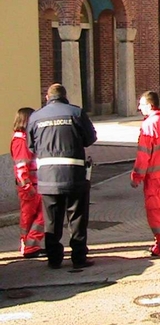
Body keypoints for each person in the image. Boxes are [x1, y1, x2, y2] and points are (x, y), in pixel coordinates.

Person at [27, 83, 97, 269]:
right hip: (74, 175)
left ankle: (54, 258)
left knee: (51, 220)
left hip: (47, 177)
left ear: (47, 97)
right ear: (65, 96)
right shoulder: (75, 113)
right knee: (77, 218)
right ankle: (78, 257)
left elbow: (31, 146)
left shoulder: (36, 117)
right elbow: (91, 138)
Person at [131, 91, 160, 257]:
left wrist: (137, 176)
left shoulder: (148, 125)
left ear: (150, 106)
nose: (139, 107)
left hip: (153, 175)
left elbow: (143, 154)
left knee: (154, 210)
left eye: (142, 104)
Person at [11, 107, 45, 258]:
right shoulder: (21, 141)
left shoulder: (24, 139)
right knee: (34, 216)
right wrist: (27, 185)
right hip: (30, 186)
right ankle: (30, 246)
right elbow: (21, 166)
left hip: (33, 184)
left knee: (37, 215)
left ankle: (31, 245)